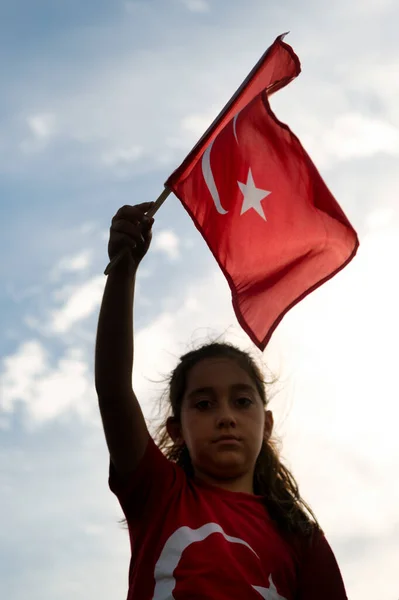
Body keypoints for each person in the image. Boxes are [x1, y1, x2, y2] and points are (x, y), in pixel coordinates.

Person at [95, 203, 348, 599]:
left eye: (242, 401)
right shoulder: (160, 494)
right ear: (176, 430)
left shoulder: (301, 538)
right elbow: (113, 392)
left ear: (266, 424)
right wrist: (123, 269)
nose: (226, 417)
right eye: (204, 404)